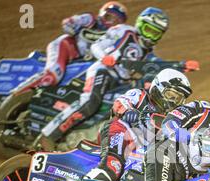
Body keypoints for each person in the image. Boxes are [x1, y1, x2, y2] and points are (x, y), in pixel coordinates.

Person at [40, 7, 170, 146]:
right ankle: (49, 135)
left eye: (155, 34)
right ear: (140, 24)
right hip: (103, 71)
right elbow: (96, 45)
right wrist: (105, 57)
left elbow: (157, 66)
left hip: (120, 82)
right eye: (148, 30)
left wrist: (183, 65)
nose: (149, 36)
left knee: (122, 109)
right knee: (90, 101)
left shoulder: (148, 52)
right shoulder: (123, 30)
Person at [84, 68, 192, 181]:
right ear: (159, 87)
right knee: (122, 125)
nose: (173, 102)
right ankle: (107, 169)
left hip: (142, 152)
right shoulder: (140, 95)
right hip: (118, 135)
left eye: (178, 99)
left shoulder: (173, 119)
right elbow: (119, 104)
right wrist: (128, 110)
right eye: (171, 95)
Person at [11, 2, 128, 95]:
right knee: (53, 75)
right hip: (67, 47)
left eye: (116, 20)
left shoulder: (113, 37)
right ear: (102, 14)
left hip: (81, 61)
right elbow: (68, 22)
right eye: (109, 16)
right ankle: (16, 94)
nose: (111, 22)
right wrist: (72, 27)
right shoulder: (90, 19)